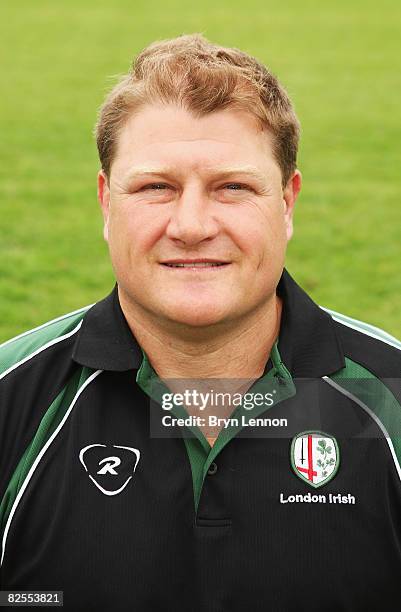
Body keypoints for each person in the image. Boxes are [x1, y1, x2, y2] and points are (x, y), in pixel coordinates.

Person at [1, 33, 401, 611]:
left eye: (232, 187)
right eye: (156, 187)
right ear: (106, 203)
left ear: (287, 203)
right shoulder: (14, 399)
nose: (191, 225)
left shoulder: (389, 397)